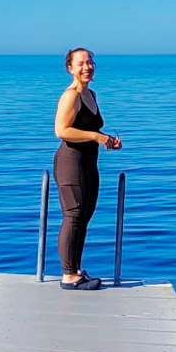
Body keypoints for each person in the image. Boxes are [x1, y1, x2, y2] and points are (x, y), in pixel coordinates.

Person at [53, 47, 122, 289]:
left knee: (84, 216)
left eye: (90, 62)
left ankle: (76, 269)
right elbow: (62, 130)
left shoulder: (91, 94)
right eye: (80, 63)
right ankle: (68, 275)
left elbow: (87, 131)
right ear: (70, 68)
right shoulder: (70, 95)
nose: (87, 67)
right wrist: (96, 136)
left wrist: (107, 140)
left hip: (88, 163)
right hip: (70, 163)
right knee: (73, 216)